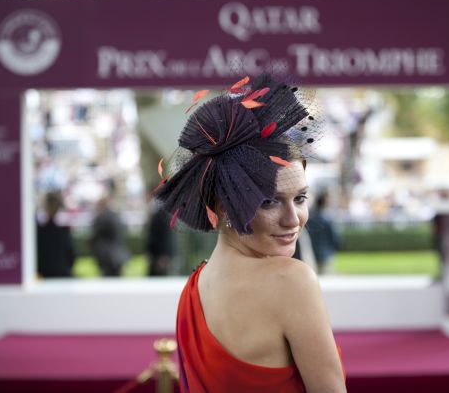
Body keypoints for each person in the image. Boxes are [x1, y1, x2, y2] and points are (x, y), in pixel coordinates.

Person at [154, 74, 347, 392]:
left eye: (300, 198)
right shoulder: (292, 280)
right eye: (269, 202)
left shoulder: (194, 288)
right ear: (225, 204)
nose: (293, 220)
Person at [36, 191, 75, 278]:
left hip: (49, 273)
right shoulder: (63, 229)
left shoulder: (41, 230)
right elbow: (70, 254)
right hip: (57, 272)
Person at [89, 194, 129, 277]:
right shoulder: (116, 216)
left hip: (107, 255)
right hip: (118, 253)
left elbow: (96, 234)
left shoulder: (102, 217)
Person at [306, 191, 341, 274]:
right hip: (325, 255)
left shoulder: (310, 219)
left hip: (313, 254)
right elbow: (335, 238)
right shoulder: (327, 220)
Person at [145, 199, 175, 276]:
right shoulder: (158, 214)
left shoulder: (162, 215)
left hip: (160, 257)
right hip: (155, 256)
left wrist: (164, 255)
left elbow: (166, 237)